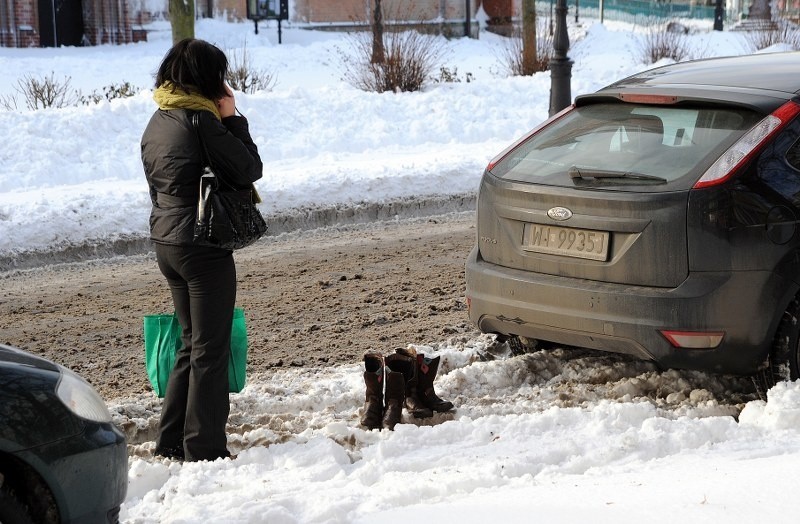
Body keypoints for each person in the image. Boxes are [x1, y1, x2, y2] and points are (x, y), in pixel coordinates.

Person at [140, 38, 263, 462]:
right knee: (210, 349)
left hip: (167, 242)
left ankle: (172, 441)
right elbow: (249, 168)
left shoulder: (159, 118)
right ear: (206, 77)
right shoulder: (200, 120)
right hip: (202, 245)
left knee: (190, 344)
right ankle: (205, 449)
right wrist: (232, 118)